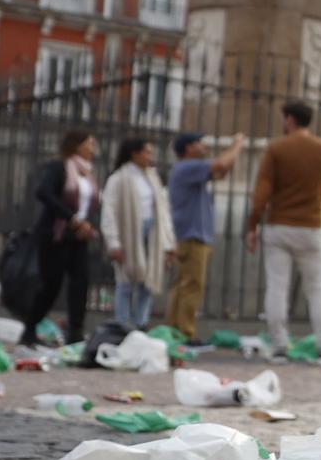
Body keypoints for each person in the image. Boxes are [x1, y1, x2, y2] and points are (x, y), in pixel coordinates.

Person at [245, 100, 321, 362]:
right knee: (317, 288)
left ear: (289, 120)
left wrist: (252, 224)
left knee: (277, 286)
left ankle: (279, 344)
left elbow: (262, 191)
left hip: (280, 224)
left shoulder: (277, 149)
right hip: (311, 225)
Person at [166, 131, 246, 345]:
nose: (203, 146)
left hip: (188, 234)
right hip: (192, 236)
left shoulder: (188, 170)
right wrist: (237, 144)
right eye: (198, 143)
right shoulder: (188, 167)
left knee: (182, 284)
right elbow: (220, 165)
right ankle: (186, 332)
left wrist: (230, 157)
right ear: (188, 148)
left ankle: (174, 328)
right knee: (192, 285)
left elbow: (221, 172)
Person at [23, 130, 100, 348]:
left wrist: (87, 224)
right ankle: (29, 328)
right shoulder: (58, 167)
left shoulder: (88, 173)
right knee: (51, 284)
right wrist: (72, 218)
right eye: (90, 143)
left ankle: (75, 332)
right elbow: (44, 193)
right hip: (55, 234)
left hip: (79, 236)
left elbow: (91, 204)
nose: (93, 148)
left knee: (81, 283)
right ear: (77, 146)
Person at [103, 137, 174, 330]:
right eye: (147, 152)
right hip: (129, 235)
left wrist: (168, 244)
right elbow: (109, 212)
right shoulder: (118, 179)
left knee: (148, 282)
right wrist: (114, 242)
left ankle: (140, 323)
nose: (150, 156)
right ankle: (123, 324)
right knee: (126, 281)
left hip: (151, 233)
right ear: (134, 154)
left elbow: (162, 211)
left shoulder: (152, 177)